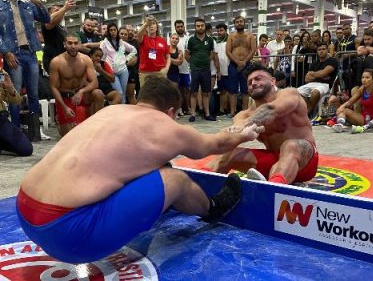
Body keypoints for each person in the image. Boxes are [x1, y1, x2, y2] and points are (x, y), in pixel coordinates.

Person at [16, 76, 263, 264]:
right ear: (171, 112)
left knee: (153, 165)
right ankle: (213, 208)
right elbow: (216, 144)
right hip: (68, 235)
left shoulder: (111, 111)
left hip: (25, 210)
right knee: (174, 178)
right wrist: (245, 134)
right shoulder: (165, 125)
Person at [209, 63, 318, 185]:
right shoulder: (243, 115)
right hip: (274, 163)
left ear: (272, 81)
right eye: (249, 82)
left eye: (258, 78)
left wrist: (244, 126)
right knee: (227, 153)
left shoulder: (289, 93)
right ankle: (205, 186)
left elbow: (271, 110)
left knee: (290, 145)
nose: (253, 83)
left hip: (306, 162)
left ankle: (272, 190)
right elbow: (232, 136)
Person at [0, 0, 50, 141]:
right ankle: (16, 134)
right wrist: (6, 51)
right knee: (14, 95)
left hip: (31, 53)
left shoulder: (26, 2)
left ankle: (35, 133)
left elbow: (46, 18)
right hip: (13, 54)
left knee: (33, 94)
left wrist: (37, 1)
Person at [49, 34, 105, 136]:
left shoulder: (86, 59)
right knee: (69, 136)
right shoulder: (56, 62)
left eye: (75, 43)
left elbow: (95, 82)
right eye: (70, 43)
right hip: (65, 97)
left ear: (79, 44)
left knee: (99, 93)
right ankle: (61, 119)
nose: (73, 46)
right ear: (64, 45)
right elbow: (53, 87)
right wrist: (64, 107)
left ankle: (98, 125)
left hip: (81, 95)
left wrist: (81, 91)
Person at [333, 69, 373, 133]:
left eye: (367, 78)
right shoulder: (362, 89)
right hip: (365, 118)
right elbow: (350, 102)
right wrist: (342, 106)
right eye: (363, 77)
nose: (364, 80)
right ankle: (340, 125)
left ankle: (365, 127)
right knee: (343, 110)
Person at [186, 18, 217, 122]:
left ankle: (207, 114)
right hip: (195, 70)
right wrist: (194, 63)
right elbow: (187, 55)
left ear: (205, 26)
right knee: (194, 92)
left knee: (206, 93)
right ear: (195, 27)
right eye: (198, 26)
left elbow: (212, 53)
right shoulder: (190, 40)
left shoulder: (210, 40)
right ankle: (193, 114)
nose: (200, 27)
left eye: (202, 25)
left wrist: (206, 61)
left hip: (206, 70)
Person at [226, 16, 257, 114]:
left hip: (246, 65)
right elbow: (228, 51)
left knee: (245, 89)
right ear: (234, 24)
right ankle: (232, 112)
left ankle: (245, 112)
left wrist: (244, 62)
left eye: (241, 21)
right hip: (233, 65)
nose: (239, 23)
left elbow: (253, 50)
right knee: (232, 89)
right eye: (237, 22)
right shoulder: (231, 36)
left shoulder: (250, 36)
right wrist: (237, 62)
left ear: (244, 23)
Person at [298, 42, 338, 116]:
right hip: (312, 84)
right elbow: (306, 79)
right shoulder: (315, 63)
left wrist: (314, 74)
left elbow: (323, 73)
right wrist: (320, 75)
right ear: (317, 51)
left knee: (315, 92)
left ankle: (309, 111)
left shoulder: (332, 61)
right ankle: (310, 108)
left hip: (326, 85)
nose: (321, 51)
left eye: (323, 49)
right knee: (297, 92)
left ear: (327, 50)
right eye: (319, 49)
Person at [100, 23, 137, 103]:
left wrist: (126, 59)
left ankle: (122, 113)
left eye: (114, 30)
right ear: (108, 31)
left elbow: (134, 50)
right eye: (111, 30)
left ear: (117, 31)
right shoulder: (104, 43)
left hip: (123, 71)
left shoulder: (121, 42)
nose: (113, 32)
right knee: (119, 93)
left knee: (123, 93)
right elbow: (101, 58)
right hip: (112, 72)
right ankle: (119, 113)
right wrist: (104, 68)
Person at [0, 70, 32, 156]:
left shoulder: (1, 72)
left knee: (26, 149)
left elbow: (16, 101)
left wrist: (10, 87)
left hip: (1, 118)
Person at [41, 0, 75, 73]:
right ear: (50, 13)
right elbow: (51, 22)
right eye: (57, 11)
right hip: (51, 58)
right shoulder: (46, 22)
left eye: (61, 11)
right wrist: (65, 8)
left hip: (62, 57)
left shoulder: (63, 28)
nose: (60, 12)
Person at [137, 16, 170, 87]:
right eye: (149, 24)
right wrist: (146, 23)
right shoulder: (143, 38)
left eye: (153, 23)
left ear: (157, 27)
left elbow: (168, 57)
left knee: (161, 96)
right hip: (145, 73)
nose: (151, 26)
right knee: (146, 96)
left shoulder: (162, 40)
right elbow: (139, 34)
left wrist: (166, 69)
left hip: (160, 72)